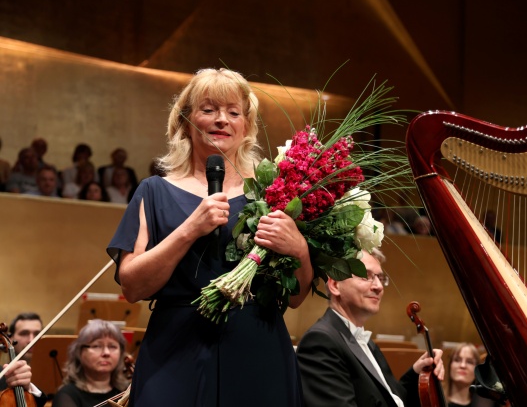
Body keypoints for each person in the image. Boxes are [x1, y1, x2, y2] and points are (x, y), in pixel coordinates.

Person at [106, 68, 313, 406]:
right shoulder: (153, 191)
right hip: (176, 352)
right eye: (209, 110)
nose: (222, 120)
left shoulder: (273, 192)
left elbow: (296, 297)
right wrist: (189, 229)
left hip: (257, 349)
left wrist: (301, 251)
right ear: (187, 121)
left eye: (234, 112)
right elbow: (132, 286)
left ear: (246, 126)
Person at [296, 249, 444, 407]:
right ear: (335, 284)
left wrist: (417, 372)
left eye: (380, 278)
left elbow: (392, 399)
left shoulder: (367, 343)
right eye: (366, 275)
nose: (379, 286)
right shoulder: (320, 342)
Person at [52, 319, 128, 407]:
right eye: (97, 346)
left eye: (112, 346)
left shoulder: (127, 393)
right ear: (80, 352)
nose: (106, 353)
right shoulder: (66, 395)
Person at [0, 312, 47, 407]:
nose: (31, 340)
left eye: (37, 334)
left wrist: (29, 387)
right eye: (24, 333)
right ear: (11, 338)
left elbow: (41, 399)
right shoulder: (5, 376)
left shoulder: (51, 370)